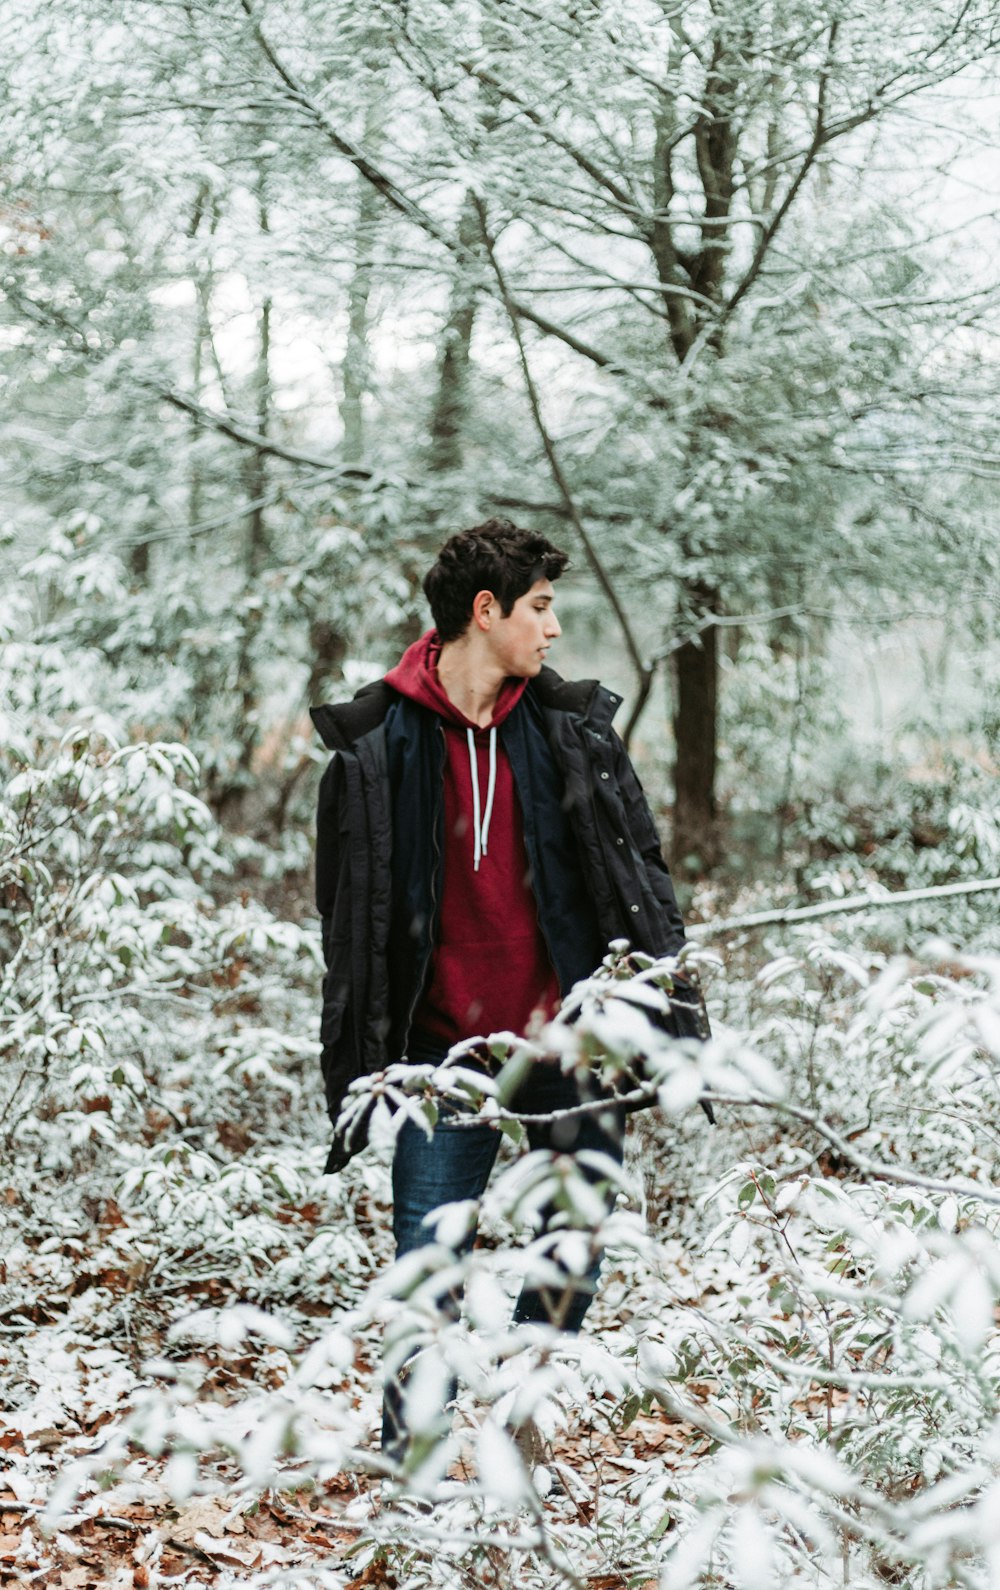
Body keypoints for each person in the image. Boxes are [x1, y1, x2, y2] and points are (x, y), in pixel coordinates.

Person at [310, 518, 706, 1462]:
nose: (553, 628)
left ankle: (521, 1456)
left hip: (570, 1046)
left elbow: (637, 876)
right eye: (539, 608)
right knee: (427, 1272)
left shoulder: (571, 731)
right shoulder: (374, 746)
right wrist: (367, 1062)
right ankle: (415, 1480)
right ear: (484, 614)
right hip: (442, 1058)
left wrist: (665, 1016)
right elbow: (348, 927)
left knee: (569, 1257)